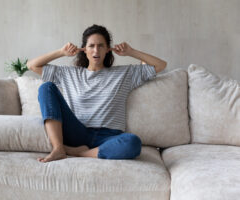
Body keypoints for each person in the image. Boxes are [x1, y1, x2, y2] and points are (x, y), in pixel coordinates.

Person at [27, 24, 167, 163]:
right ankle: (58, 148)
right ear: (84, 49)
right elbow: (32, 65)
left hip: (108, 137)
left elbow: (161, 65)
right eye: (91, 46)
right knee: (46, 88)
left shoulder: (125, 74)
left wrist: (131, 52)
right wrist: (61, 52)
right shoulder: (68, 74)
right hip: (77, 132)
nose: (96, 50)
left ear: (107, 49)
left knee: (133, 142)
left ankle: (79, 153)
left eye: (101, 46)